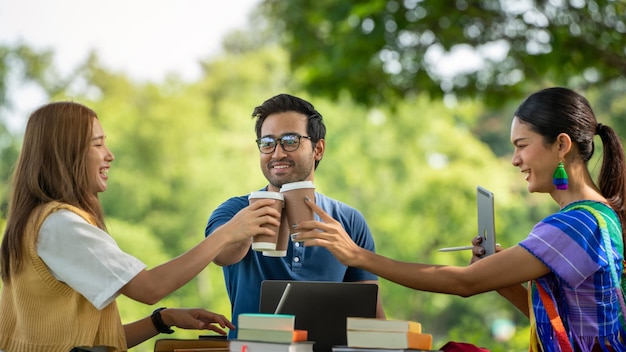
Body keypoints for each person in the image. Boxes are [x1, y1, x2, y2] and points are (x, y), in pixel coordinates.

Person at [293, 87, 626, 351]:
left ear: (561, 145)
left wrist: (356, 255)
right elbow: (559, 325)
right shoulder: (598, 216)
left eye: (522, 146)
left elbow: (464, 284)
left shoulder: (574, 224)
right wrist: (502, 277)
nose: (515, 160)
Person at [0, 101, 282, 351]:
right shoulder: (60, 224)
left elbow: (86, 345)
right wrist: (229, 233)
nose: (110, 155)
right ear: (66, 154)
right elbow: (149, 288)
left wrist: (162, 320)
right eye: (97, 144)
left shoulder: (40, 222)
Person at [204, 93, 386, 337]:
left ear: (318, 148)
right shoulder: (234, 211)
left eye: (290, 140)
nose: (277, 153)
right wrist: (248, 225)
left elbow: (371, 316)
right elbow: (221, 255)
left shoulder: (349, 221)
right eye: (267, 143)